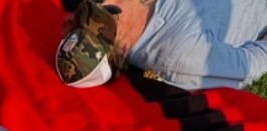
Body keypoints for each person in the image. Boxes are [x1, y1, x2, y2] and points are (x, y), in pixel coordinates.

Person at [56, 0, 267, 91]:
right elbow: (252, 64)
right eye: (109, 14)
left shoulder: (139, 7)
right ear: (123, 48)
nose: (107, 1)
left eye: (94, 7)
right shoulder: (179, 53)